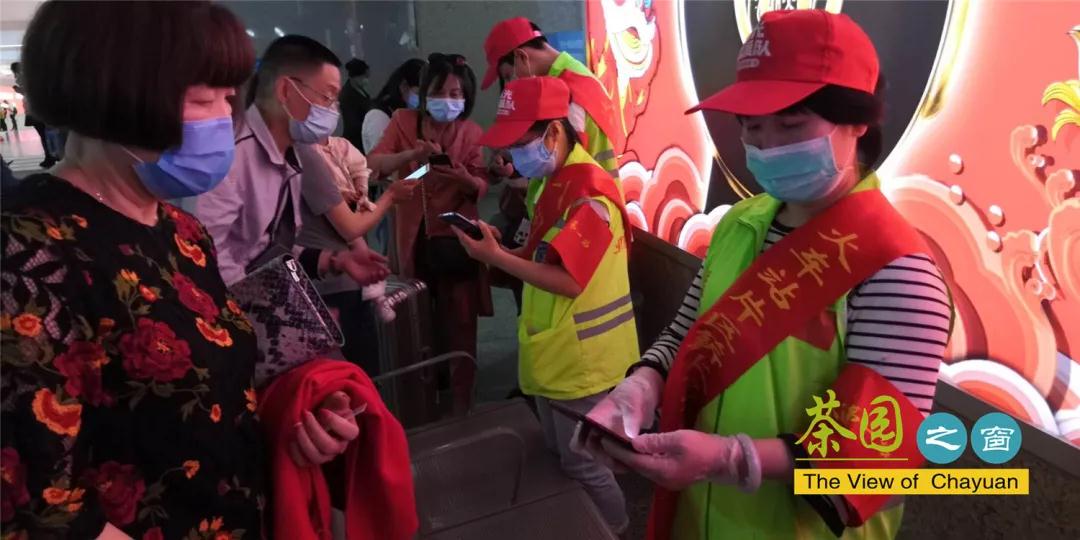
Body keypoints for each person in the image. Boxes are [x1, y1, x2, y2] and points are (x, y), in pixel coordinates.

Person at [579, 10, 954, 539]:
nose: (769, 145)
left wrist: (733, 460)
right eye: (753, 126)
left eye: (792, 125)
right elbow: (688, 332)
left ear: (858, 122)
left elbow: (880, 454)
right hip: (698, 518)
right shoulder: (738, 224)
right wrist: (641, 385)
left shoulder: (897, 270)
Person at [0, 3, 362, 538]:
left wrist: (294, 425)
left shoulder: (181, 230)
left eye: (227, 98)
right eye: (201, 99)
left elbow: (204, 398)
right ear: (110, 93)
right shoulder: (28, 252)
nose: (223, 120)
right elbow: (36, 508)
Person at [455, 76, 638, 533]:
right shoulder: (554, 181)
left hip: (585, 361)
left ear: (554, 132)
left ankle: (617, 528)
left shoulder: (590, 195)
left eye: (520, 145)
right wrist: (500, 248)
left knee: (584, 464)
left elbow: (570, 281)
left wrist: (497, 258)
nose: (513, 158)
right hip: (557, 351)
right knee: (562, 455)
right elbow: (542, 255)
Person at [194, 35, 389, 290]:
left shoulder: (291, 154)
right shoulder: (231, 158)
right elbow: (207, 260)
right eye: (327, 96)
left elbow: (266, 247)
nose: (333, 110)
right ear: (286, 90)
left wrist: (333, 260)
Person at [370, 52, 491, 412]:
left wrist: (465, 178)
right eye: (440, 92)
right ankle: (419, 396)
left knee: (461, 319)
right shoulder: (403, 120)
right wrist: (412, 155)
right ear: (424, 93)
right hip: (413, 239)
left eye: (456, 94)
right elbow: (375, 164)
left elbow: (481, 184)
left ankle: (462, 398)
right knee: (414, 318)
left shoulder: (471, 132)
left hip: (456, 241)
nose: (448, 101)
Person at [300, 134, 420, 375]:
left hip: (335, 272)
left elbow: (362, 169)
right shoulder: (306, 155)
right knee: (355, 373)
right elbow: (350, 227)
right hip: (330, 288)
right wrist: (389, 197)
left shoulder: (336, 147)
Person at [482, 17, 623, 181]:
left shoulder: (566, 91)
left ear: (521, 56)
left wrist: (516, 157)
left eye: (508, 76)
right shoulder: (575, 75)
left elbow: (559, 159)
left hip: (583, 192)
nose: (510, 85)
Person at [362, 58, 425, 154]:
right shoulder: (379, 117)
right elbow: (382, 159)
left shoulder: (413, 114)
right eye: (420, 94)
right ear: (404, 86)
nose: (424, 100)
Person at [11, 62, 59, 167]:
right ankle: (51, 155)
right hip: (35, 109)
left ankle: (51, 156)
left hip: (36, 110)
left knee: (45, 134)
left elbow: (31, 92)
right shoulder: (31, 78)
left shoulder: (29, 78)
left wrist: (21, 90)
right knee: (45, 134)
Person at [339, 58, 373, 152]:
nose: (366, 79)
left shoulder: (360, 89)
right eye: (365, 76)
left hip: (364, 138)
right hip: (355, 142)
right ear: (356, 77)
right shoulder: (347, 96)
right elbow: (352, 123)